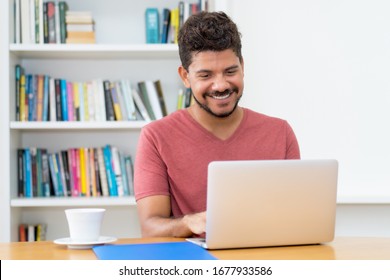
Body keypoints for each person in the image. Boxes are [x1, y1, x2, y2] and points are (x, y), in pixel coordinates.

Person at [134, 11, 300, 238]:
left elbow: (296, 217)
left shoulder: (280, 133)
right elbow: (150, 227)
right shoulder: (155, 136)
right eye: (205, 75)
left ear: (242, 66)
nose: (220, 85)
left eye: (230, 71)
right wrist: (188, 223)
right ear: (185, 76)